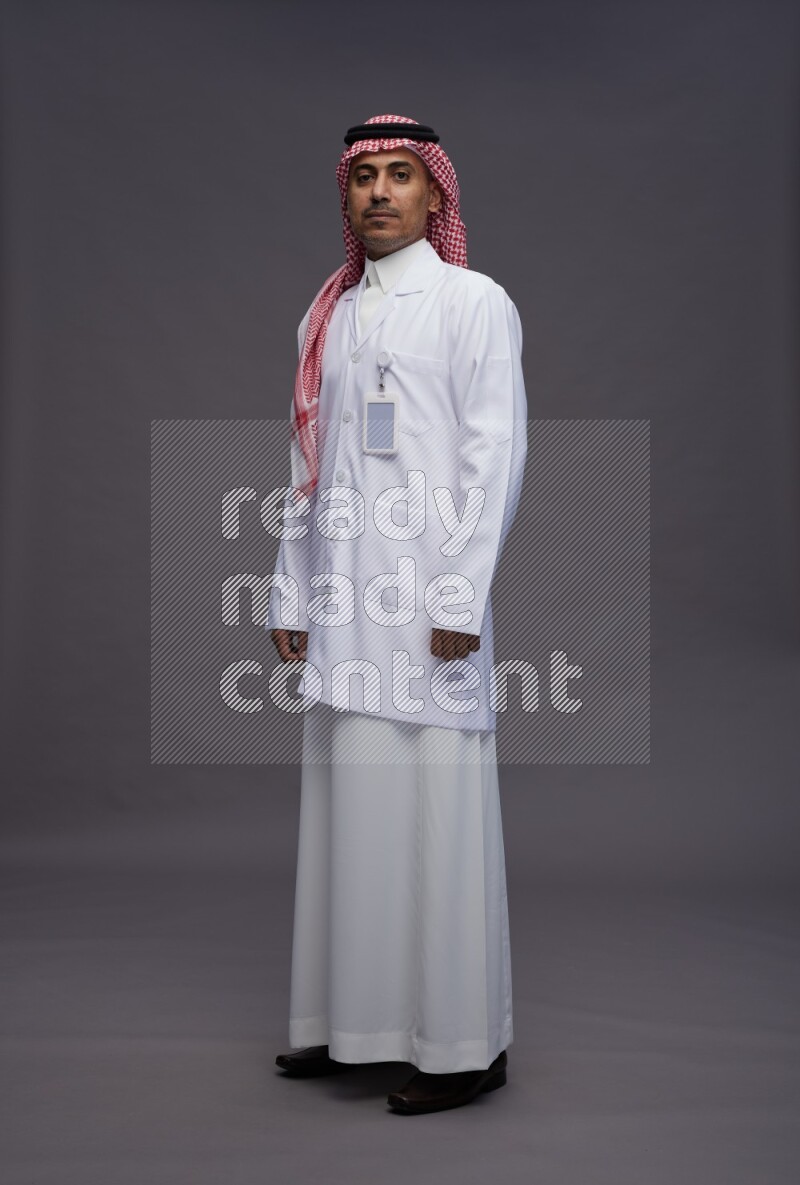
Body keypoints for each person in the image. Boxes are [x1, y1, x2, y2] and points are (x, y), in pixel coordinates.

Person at [266, 114, 528, 1114]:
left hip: (427, 609)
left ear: (435, 198)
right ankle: (349, 1027)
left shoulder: (471, 302)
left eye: (399, 177)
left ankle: (463, 1046)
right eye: (362, 177)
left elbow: (492, 456)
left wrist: (459, 593)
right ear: (345, 196)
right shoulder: (325, 312)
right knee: (350, 813)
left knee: (434, 813)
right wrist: (289, 589)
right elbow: (306, 467)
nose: (378, 193)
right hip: (343, 604)